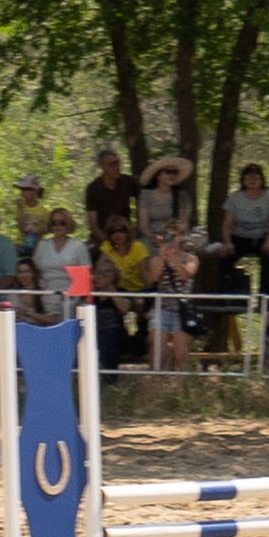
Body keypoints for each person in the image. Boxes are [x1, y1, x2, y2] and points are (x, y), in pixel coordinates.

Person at [146, 221, 201, 371]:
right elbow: (153, 278)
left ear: (182, 238)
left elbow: (186, 275)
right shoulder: (156, 258)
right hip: (161, 309)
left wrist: (174, 258)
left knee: (180, 356)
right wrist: (163, 258)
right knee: (158, 355)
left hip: (182, 311)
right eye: (168, 235)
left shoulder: (191, 258)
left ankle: (182, 384)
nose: (171, 238)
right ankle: (157, 382)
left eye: (175, 235)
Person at [32, 207, 92, 293]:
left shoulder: (78, 245)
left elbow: (85, 276)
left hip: (71, 294)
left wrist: (76, 296)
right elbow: (36, 271)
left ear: (69, 224)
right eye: (53, 223)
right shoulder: (42, 245)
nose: (58, 226)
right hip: (46, 292)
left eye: (62, 223)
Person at [82, 147, 137, 238]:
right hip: (103, 235)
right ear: (102, 166)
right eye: (112, 164)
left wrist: (134, 230)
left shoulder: (128, 182)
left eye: (118, 163)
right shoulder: (93, 189)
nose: (117, 167)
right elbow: (93, 225)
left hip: (126, 235)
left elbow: (144, 199)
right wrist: (108, 241)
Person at [139, 156, 196, 243]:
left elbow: (183, 224)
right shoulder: (146, 195)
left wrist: (169, 238)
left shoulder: (182, 196)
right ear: (157, 175)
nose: (172, 175)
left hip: (174, 236)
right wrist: (153, 237)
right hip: (151, 237)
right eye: (168, 172)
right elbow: (143, 225)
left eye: (175, 172)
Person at [10, 174, 53, 244]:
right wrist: (20, 208)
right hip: (21, 244)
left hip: (37, 245)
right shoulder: (20, 207)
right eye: (22, 190)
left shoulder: (45, 210)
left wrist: (41, 231)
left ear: (35, 191)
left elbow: (51, 227)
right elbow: (22, 228)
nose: (23, 193)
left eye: (26, 190)